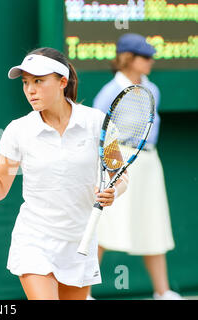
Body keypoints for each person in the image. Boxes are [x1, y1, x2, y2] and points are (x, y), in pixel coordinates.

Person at [0, 47, 127, 300]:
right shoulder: (18, 130)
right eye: (25, 83)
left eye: (38, 81)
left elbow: (120, 176)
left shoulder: (97, 122)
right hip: (35, 240)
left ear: (62, 82)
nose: (30, 90)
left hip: (80, 241)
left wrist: (113, 192)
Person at [90, 33, 181, 300]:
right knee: (103, 226)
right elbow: (100, 130)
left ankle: (162, 292)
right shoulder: (109, 92)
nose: (151, 61)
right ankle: (82, 293)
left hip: (149, 162)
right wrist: (111, 165)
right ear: (128, 59)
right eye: (145, 56)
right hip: (117, 161)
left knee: (154, 224)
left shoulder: (153, 90)